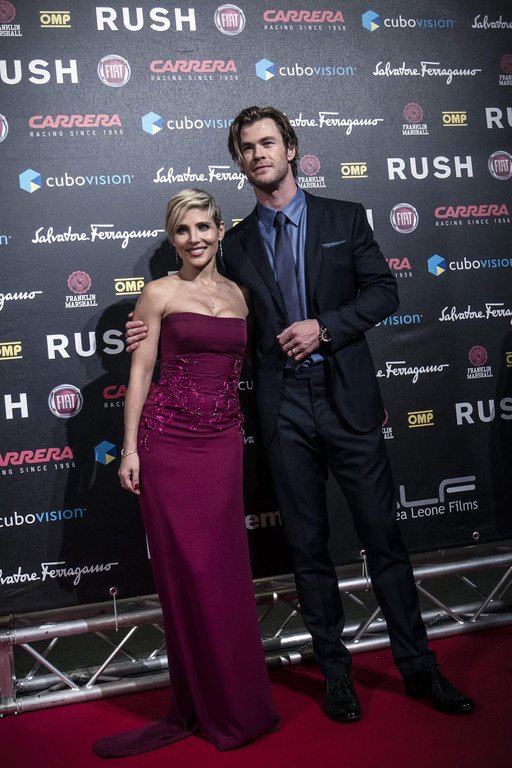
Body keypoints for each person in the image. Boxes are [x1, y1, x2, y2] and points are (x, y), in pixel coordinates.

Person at [126, 106, 474, 722]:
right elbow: (208, 313)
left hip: (348, 401)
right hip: (282, 409)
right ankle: (336, 675)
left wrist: (325, 328)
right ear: (239, 162)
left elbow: (384, 291)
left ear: (290, 148)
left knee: (383, 539)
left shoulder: (344, 217)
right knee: (307, 549)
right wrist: (146, 330)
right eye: (246, 148)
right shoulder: (233, 245)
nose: (258, 154)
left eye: (267, 143)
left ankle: (420, 667)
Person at [93, 189, 279, 759]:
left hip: (223, 444)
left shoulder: (243, 296)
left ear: (221, 230)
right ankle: (200, 701)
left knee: (225, 572)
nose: (194, 238)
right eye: (182, 230)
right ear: (172, 239)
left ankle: (239, 703)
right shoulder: (159, 293)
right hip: (168, 444)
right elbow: (140, 372)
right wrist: (130, 450)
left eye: (203, 227)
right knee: (189, 573)